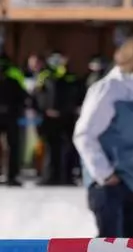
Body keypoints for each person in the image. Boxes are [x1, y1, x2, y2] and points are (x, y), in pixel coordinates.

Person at [73, 34, 133, 238]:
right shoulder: (110, 88)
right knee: (111, 250)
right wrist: (105, 174)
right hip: (109, 185)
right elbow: (84, 134)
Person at [35, 53, 83, 186]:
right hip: (48, 118)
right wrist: (44, 109)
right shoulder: (44, 76)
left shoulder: (71, 77)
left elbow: (77, 95)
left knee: (68, 147)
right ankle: (49, 176)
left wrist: (67, 109)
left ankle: (67, 177)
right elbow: (39, 95)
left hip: (66, 117)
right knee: (50, 147)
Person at [0, 54, 29, 186]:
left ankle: (11, 175)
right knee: (12, 146)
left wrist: (16, 109)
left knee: (13, 147)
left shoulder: (13, 81)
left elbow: (23, 98)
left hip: (11, 117)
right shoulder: (13, 81)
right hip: (10, 116)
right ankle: (10, 175)